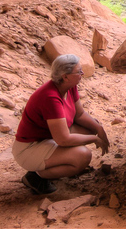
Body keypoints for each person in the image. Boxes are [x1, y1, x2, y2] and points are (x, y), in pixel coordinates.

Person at [13, 54, 109, 194]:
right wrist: (95, 139)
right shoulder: (50, 97)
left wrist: (98, 129)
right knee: (83, 156)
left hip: (47, 138)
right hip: (30, 148)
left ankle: (57, 165)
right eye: (78, 71)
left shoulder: (69, 86)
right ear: (65, 76)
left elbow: (80, 115)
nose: (82, 73)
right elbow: (63, 139)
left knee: (90, 127)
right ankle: (36, 176)